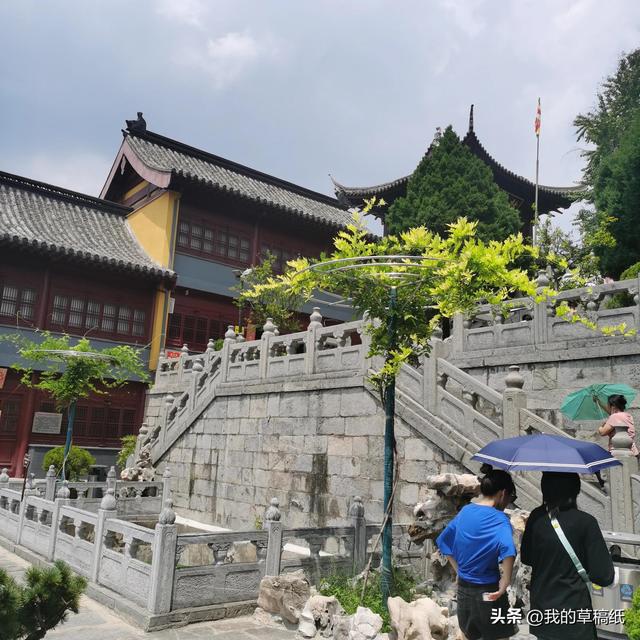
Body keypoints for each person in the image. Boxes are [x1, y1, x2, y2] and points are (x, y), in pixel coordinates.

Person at [521, 472, 614, 640]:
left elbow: (527, 557)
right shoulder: (586, 522)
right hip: (574, 616)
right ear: (575, 490)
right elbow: (603, 576)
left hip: (542, 613)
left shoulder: (536, 516)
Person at [436, 469, 518, 640]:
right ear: (503, 493)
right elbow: (508, 550)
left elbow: (443, 540)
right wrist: (506, 580)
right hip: (489, 593)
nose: (509, 502)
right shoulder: (499, 519)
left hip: (464, 593)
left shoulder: (466, 512)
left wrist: (459, 570)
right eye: (511, 497)